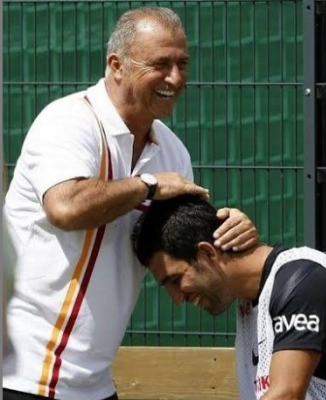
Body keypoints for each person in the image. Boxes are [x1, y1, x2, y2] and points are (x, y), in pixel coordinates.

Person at [2, 7, 258, 400]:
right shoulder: (68, 122)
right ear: (117, 66)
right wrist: (148, 186)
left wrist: (230, 228)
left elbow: (186, 248)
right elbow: (65, 208)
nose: (175, 78)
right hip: (21, 376)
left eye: (182, 64)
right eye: (161, 64)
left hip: (95, 384)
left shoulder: (174, 154)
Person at [131, 195, 326, 400]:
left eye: (175, 280)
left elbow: (286, 394)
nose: (177, 298)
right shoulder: (248, 301)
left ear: (207, 253)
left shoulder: (302, 281)